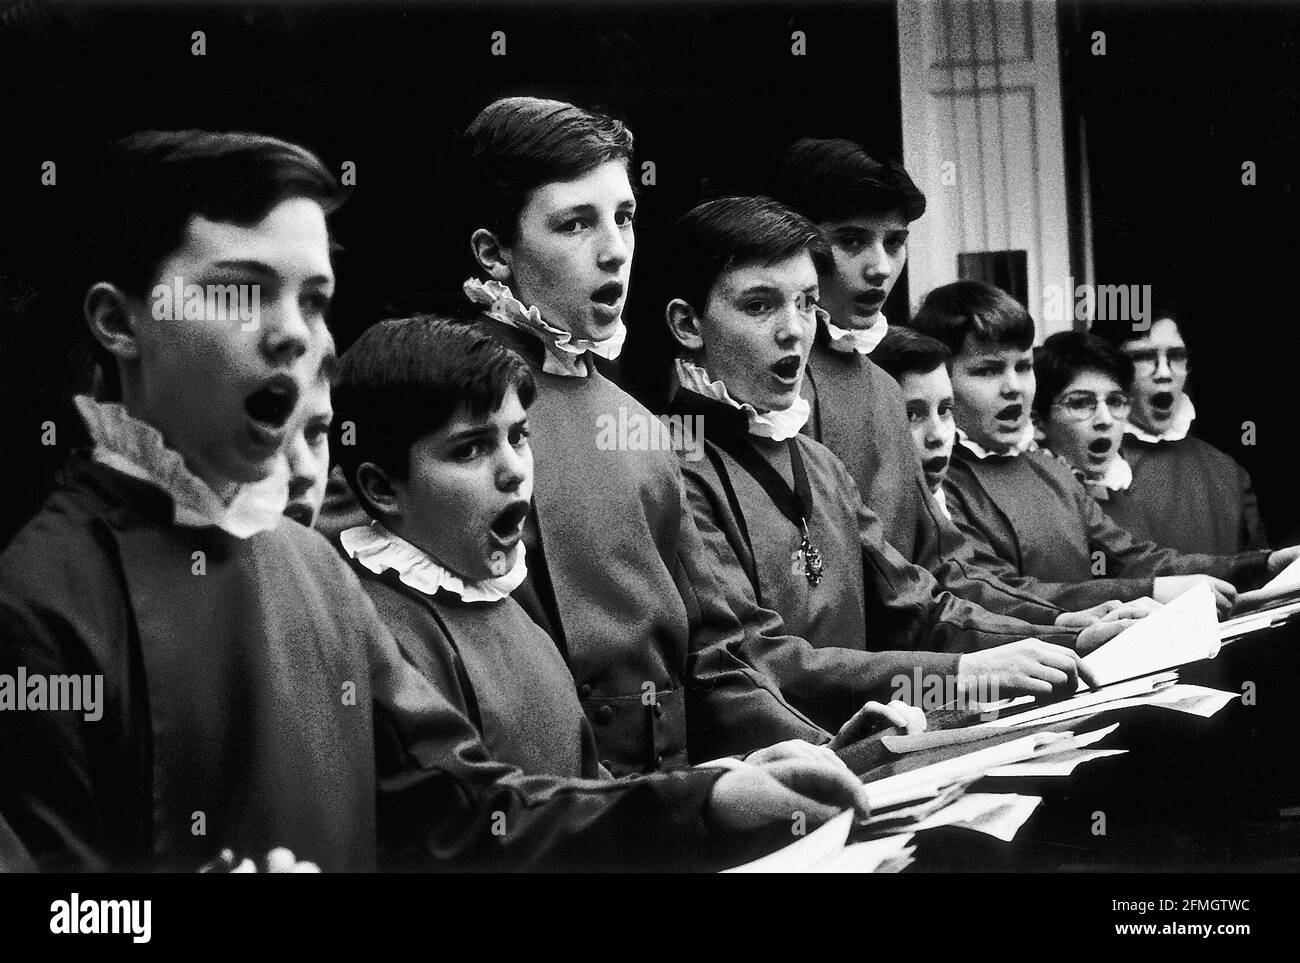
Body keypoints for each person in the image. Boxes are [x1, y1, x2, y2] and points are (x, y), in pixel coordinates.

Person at [0, 129, 870, 873]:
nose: (295, 334)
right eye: (243, 292)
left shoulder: (305, 565)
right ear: (119, 322)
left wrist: (709, 797)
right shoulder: (39, 602)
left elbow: (469, 804)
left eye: (312, 299)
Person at [332, 314, 919, 778]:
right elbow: (519, 817)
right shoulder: (381, 633)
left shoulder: (508, 610)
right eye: (470, 450)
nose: (514, 472)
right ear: (381, 489)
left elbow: (598, 787)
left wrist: (783, 762)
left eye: (519, 438)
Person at [659, 195, 1106, 730]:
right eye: (759, 306)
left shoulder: (818, 461)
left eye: (805, 302)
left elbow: (917, 608)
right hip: (778, 780)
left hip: (871, 751)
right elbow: (754, 659)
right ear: (688, 324)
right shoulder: (671, 465)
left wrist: (1069, 637)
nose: (794, 331)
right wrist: (953, 674)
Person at [769, 137, 1110, 629]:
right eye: (850, 241)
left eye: (894, 241)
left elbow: (941, 568)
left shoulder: (884, 385)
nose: (880, 267)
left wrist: (1059, 623)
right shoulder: (763, 387)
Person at [912, 280, 1299, 614]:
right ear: (941, 382)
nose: (1013, 387)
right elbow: (998, 593)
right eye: (988, 370)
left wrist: (1263, 565)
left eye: (1024, 367)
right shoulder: (940, 485)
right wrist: (1146, 593)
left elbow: (1135, 558)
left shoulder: (1048, 470)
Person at [1090, 307, 1267, 554]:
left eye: (1176, 356)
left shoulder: (1228, 473)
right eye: (1142, 357)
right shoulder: (1086, 469)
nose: (1164, 373)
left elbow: (1256, 575)